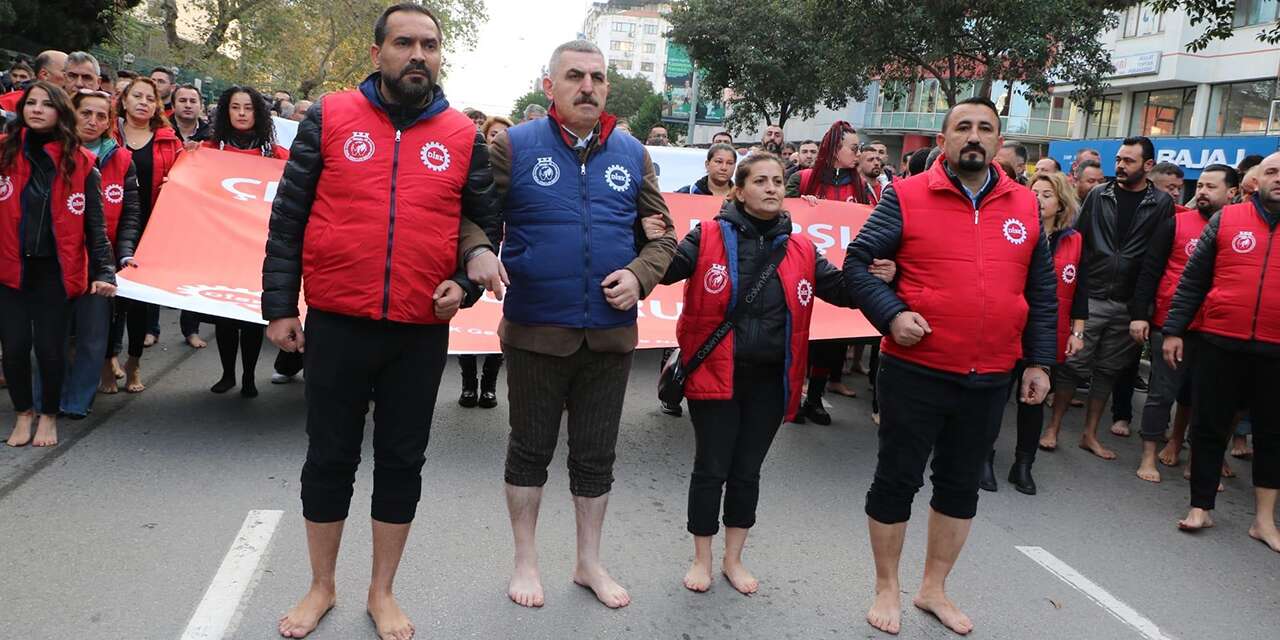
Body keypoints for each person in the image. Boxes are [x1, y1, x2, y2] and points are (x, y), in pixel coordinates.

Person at [263, 4, 503, 637]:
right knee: (329, 458)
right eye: (404, 42)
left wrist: (465, 288)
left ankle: (382, 590)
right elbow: (288, 218)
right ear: (378, 54)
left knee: (402, 462)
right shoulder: (330, 116)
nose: (417, 53)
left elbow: (481, 230)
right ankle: (321, 586)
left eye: (429, 43)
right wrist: (279, 306)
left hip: (419, 329)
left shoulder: (461, 134)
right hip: (338, 322)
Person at [465, 39, 676, 610]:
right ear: (549, 86)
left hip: (609, 336)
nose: (588, 87)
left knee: (595, 455)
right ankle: (526, 562)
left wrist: (640, 275)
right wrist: (480, 251)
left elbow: (663, 237)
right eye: (575, 76)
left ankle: (588, 563)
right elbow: (474, 219)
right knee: (529, 448)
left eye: (598, 78)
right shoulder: (512, 146)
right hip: (536, 329)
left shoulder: (633, 153)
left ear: (608, 87)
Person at [845, 96, 1056, 636]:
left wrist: (1039, 361)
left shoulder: (1026, 206)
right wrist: (892, 315)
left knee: (960, 486)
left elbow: (1041, 290)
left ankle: (933, 588)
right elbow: (857, 266)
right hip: (916, 370)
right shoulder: (906, 195)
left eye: (986, 128)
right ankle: (886, 586)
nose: (974, 136)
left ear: (998, 143)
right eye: (962, 126)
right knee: (897, 479)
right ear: (942, 141)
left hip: (989, 376)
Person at [655, 153, 870, 594]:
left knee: (747, 472)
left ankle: (735, 559)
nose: (772, 188)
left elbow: (845, 291)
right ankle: (702, 559)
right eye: (760, 181)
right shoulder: (708, 236)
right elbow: (663, 271)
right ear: (739, 191)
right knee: (711, 468)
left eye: (778, 181)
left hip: (772, 381)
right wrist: (650, 240)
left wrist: (880, 273)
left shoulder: (803, 248)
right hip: (715, 373)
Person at [1161, 151, 1280, 554]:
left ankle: (1263, 521)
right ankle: (1201, 506)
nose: (1278, 178)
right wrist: (1174, 329)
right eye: (1273, 171)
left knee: (1272, 436)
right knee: (1208, 427)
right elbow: (1192, 281)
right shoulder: (1227, 220)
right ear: (1254, 181)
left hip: (1275, 350)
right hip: (1218, 341)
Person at [1, 82, 117, 448]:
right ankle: (23, 414)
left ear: (60, 113)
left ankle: (49, 415)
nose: (36, 109)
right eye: (30, 103)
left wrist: (103, 272)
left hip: (55, 271)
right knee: (15, 346)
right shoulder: (3, 154)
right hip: (9, 269)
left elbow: (95, 228)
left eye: (46, 104)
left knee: (50, 348)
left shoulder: (81, 163)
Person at [1041, 136, 1173, 458]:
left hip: (1129, 303)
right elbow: (1078, 246)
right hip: (1093, 295)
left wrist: (1140, 309)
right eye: (1119, 160)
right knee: (1073, 365)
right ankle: (1054, 427)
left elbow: (1155, 259)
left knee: (1108, 371)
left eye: (1129, 161)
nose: (1120, 166)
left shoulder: (1161, 203)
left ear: (1148, 166)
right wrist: (1077, 297)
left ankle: (1089, 434)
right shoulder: (1100, 195)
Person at [33, 88, 142, 420]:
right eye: (86, 113)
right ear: (71, 114)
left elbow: (130, 216)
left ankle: (77, 402)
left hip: (98, 262)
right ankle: (45, 400)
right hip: (52, 262)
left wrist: (122, 256)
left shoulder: (122, 160)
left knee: (93, 338)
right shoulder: (46, 154)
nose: (93, 121)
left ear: (110, 122)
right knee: (52, 338)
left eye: (101, 115)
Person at [1128, 164, 1238, 483]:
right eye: (1200, 185)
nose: (1201, 191)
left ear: (1231, 193)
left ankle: (1198, 458)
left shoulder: (1239, 228)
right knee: (1161, 393)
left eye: (1210, 187)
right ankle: (1148, 455)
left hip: (1216, 329)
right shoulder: (1175, 223)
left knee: (1206, 400)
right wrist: (1140, 314)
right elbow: (1150, 271)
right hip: (1171, 323)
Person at [984, 171, 1085, 495]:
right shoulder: (1013, 230)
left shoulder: (1075, 240)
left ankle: (1023, 464)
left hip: (1045, 331)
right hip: (1007, 326)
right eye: (1034, 192)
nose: (1038, 200)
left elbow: (1081, 287)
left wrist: (1077, 330)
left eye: (1046, 194)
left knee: (1033, 398)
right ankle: (983, 458)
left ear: (1061, 203)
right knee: (995, 396)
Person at [198, 86, 290, 397]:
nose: (240, 113)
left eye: (247, 108)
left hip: (258, 247)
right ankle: (227, 374)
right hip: (221, 247)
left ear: (258, 114)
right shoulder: (208, 150)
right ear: (225, 112)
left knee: (251, 318)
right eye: (235, 107)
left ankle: (249, 377)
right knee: (224, 316)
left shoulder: (276, 155)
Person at [786, 121, 872, 424]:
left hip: (839, 279)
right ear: (836, 149)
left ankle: (815, 399)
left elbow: (871, 223)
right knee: (800, 338)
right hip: (805, 273)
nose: (858, 153)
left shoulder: (862, 187)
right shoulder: (804, 179)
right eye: (853, 148)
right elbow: (781, 214)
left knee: (831, 343)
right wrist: (801, 204)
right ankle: (792, 399)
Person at [102, 78, 181, 395]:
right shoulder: (106, 134)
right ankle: (108, 361)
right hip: (107, 227)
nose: (143, 102)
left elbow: (183, 179)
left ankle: (133, 363)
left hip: (150, 231)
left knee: (137, 303)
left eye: (151, 98)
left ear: (157, 106)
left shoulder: (168, 141)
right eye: (137, 96)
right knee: (108, 301)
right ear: (123, 100)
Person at [0, 51, 67, 112]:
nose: (76, 82)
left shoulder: (71, 106)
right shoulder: (11, 101)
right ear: (44, 74)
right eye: (66, 73)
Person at [171, 84, 211, 149]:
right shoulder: (159, 131)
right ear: (173, 106)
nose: (188, 105)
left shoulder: (212, 136)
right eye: (182, 101)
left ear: (201, 107)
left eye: (193, 101)